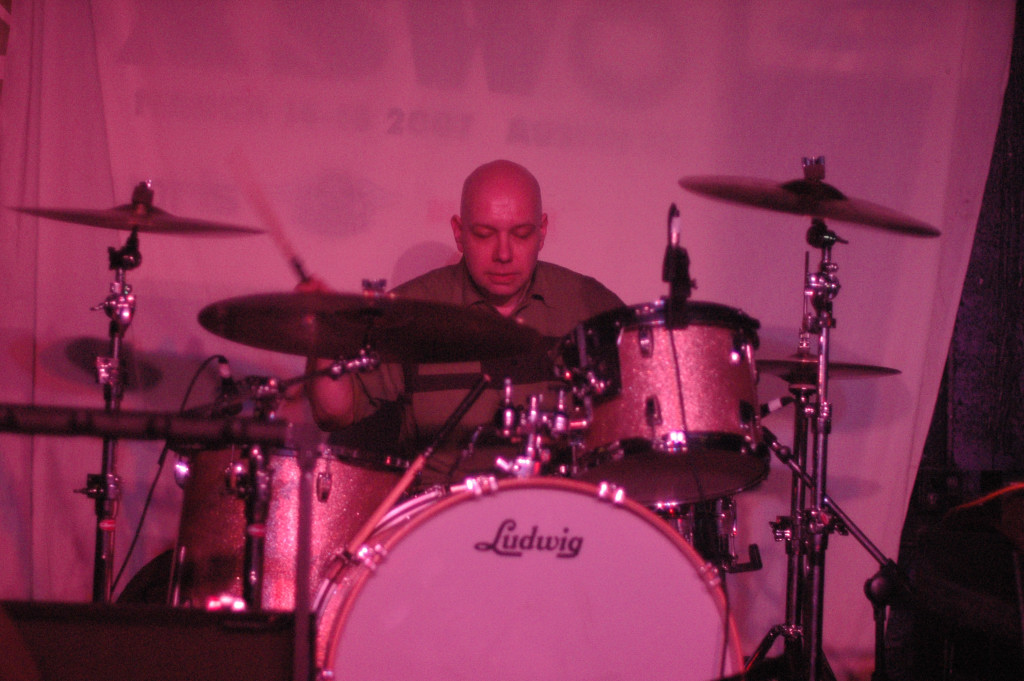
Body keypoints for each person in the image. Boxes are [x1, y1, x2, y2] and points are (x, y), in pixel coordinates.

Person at [302, 159, 623, 486]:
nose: (503, 254)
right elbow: (334, 411)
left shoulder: (587, 304)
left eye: (521, 234)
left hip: (560, 509)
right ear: (459, 233)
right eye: (484, 235)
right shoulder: (414, 309)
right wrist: (325, 333)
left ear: (542, 232)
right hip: (442, 507)